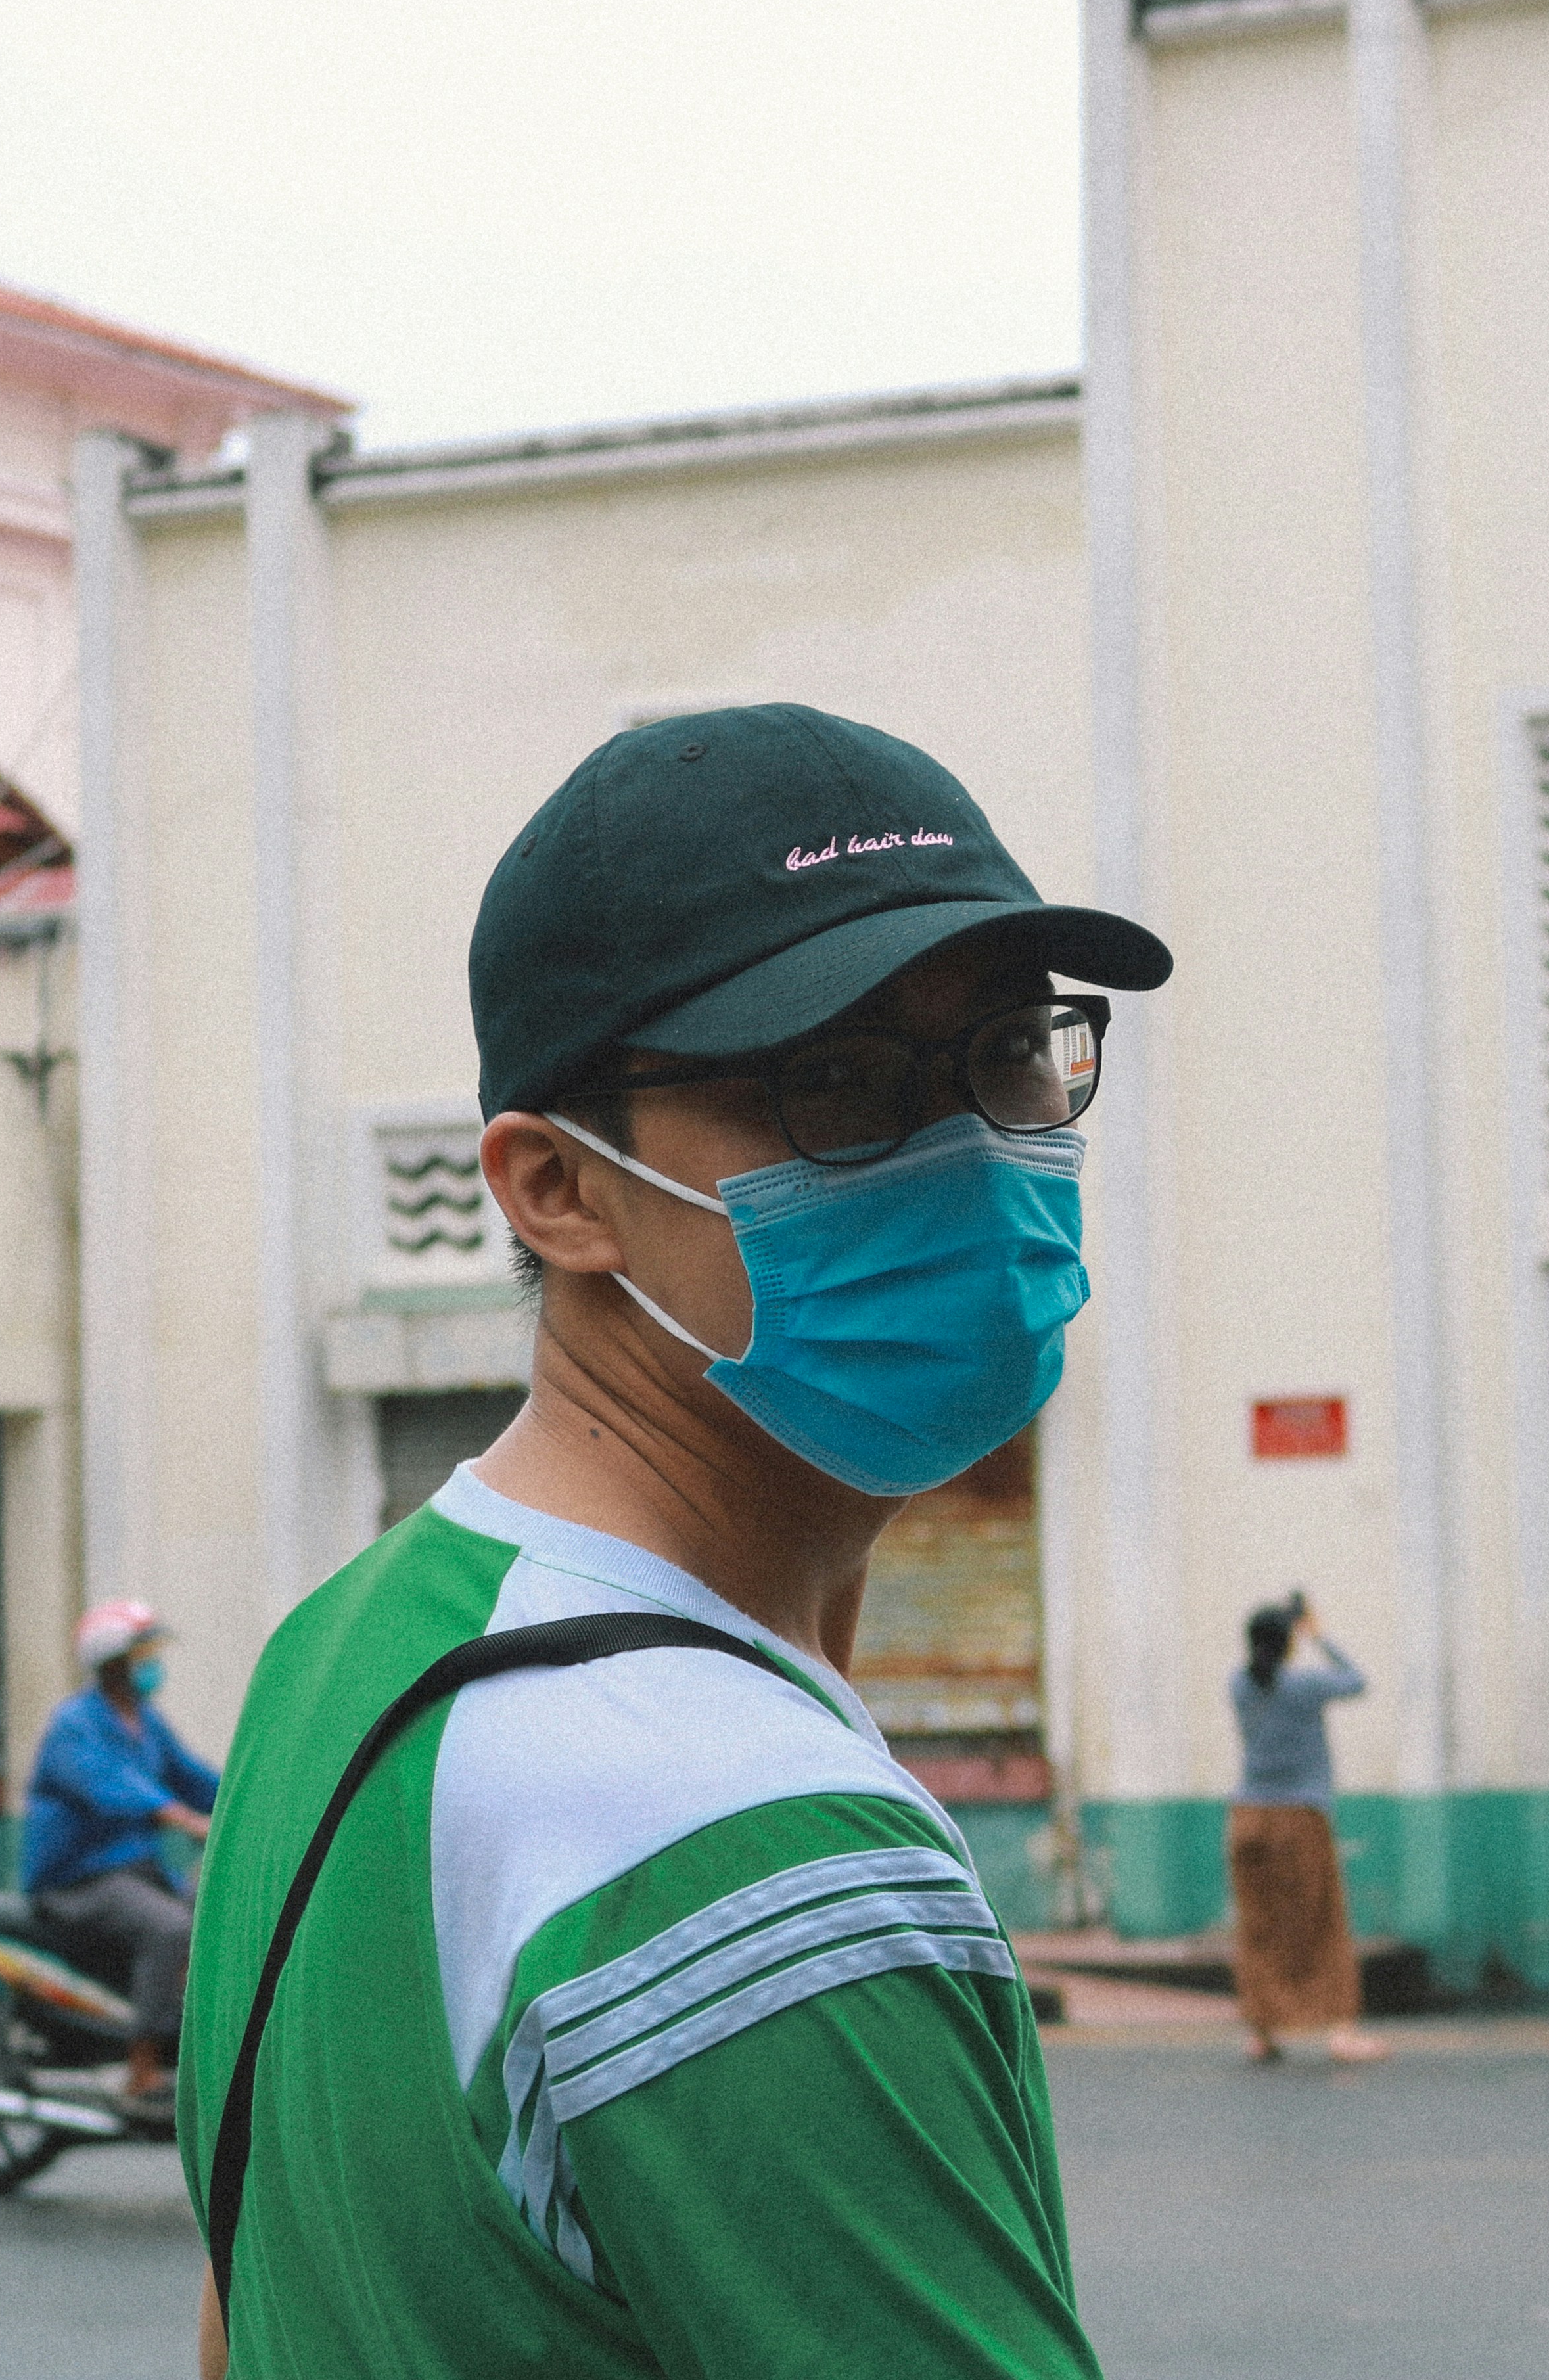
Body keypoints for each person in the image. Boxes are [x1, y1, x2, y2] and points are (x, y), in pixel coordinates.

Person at [187, 704, 1164, 2379]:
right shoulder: (750, 1840)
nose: (970, 1157)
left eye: (1006, 1051)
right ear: (556, 1187)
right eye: (836, 1082)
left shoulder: (341, 1652)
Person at [23, 1599, 218, 2112]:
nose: (154, 1665)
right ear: (112, 1663)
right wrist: (182, 1819)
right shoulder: (75, 1724)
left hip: (135, 1871)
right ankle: (142, 2070)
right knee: (171, 1929)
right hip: (79, 1880)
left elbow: (193, 1778)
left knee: (209, 1911)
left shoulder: (147, 1723)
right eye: (143, 1655)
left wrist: (249, 1798)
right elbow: (114, 1788)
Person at [1225, 1593, 1384, 2065]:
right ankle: (1341, 2029)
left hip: (1248, 1817)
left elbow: (1262, 1668)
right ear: (1289, 1642)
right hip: (1301, 1817)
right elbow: (1357, 1682)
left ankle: (1263, 2030)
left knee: (1259, 1926)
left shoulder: (1239, 1685)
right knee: (1321, 1922)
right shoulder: (1304, 1686)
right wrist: (1318, 1634)